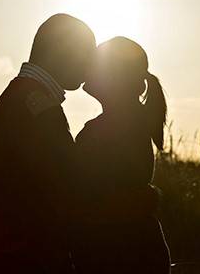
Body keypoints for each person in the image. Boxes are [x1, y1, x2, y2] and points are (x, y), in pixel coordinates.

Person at [0, 14, 96, 273]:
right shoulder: (35, 103)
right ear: (63, 52)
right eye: (86, 54)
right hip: (28, 256)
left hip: (15, 253)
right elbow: (65, 178)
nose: (90, 65)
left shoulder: (23, 96)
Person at [72, 36, 171, 274]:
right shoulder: (134, 123)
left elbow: (76, 192)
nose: (85, 66)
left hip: (115, 253)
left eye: (94, 63)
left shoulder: (100, 132)